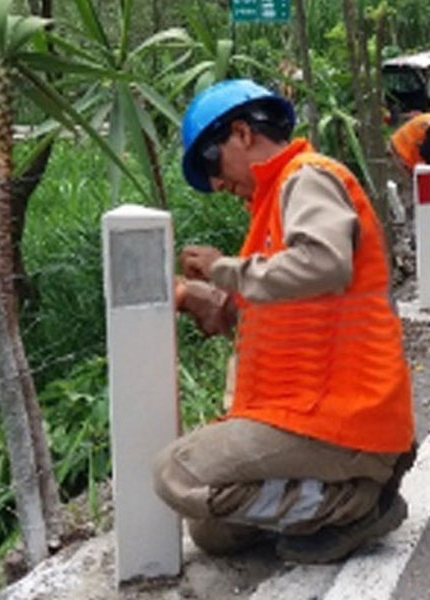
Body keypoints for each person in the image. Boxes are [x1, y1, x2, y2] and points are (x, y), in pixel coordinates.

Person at [153, 79, 416, 564]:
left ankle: (356, 503)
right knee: (210, 530)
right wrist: (198, 296)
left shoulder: (306, 177)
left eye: (210, 165)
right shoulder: (274, 204)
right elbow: (281, 304)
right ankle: (338, 494)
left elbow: (324, 263)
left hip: (342, 417)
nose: (214, 184)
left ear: (241, 133)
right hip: (306, 414)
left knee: (177, 473)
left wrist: (223, 268)